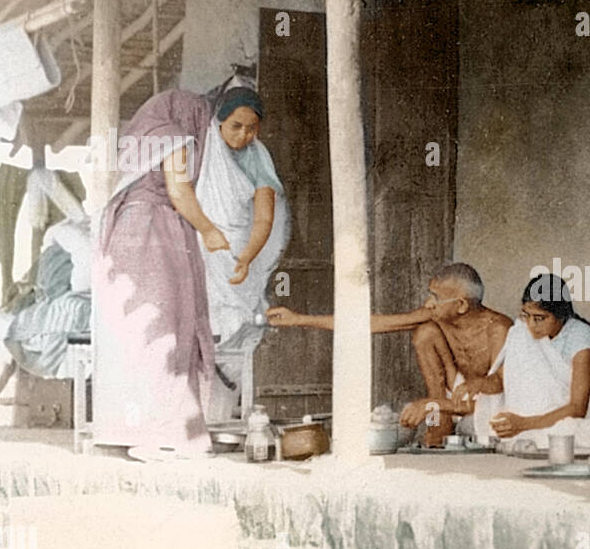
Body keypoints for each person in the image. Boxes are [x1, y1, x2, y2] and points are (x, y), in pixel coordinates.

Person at [92, 89, 241, 456]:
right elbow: (179, 191)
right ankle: (160, 434)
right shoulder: (174, 137)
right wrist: (208, 229)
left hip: (130, 234)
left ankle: (134, 429)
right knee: (166, 330)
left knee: (139, 333)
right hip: (152, 233)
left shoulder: (141, 135)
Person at [265, 263, 512, 446]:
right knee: (425, 333)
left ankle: (438, 413)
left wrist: (433, 403)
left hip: (488, 402)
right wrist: (299, 319)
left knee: (476, 419)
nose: (427, 303)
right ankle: (439, 424)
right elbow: (373, 324)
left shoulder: (498, 328)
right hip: (455, 394)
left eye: (435, 298)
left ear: (460, 305)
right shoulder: (438, 315)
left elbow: (500, 385)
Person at [448, 274, 590, 447]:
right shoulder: (523, 332)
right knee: (469, 425)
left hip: (583, 413)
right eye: (526, 315)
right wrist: (477, 384)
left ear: (562, 315)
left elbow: (578, 409)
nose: (531, 325)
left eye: (540, 318)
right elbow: (500, 380)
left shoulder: (582, 339)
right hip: (532, 414)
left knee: (567, 432)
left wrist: (523, 424)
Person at [192, 82, 290, 351]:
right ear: (220, 121)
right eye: (236, 126)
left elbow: (264, 218)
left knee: (237, 317)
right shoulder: (204, 148)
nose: (244, 135)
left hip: (238, 246)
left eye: (252, 128)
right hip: (201, 241)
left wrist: (248, 255)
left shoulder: (258, 158)